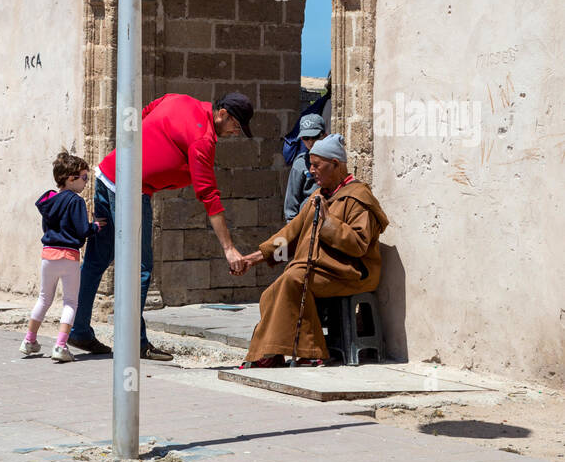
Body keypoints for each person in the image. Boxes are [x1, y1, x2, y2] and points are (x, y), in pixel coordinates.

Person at [69, 91, 254, 361]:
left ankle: (79, 329)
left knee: (98, 259)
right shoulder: (203, 141)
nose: (236, 133)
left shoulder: (180, 99)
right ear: (222, 114)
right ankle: (133, 340)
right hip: (130, 188)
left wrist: (139, 150)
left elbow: (145, 112)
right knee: (139, 267)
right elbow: (209, 196)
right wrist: (229, 248)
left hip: (108, 173)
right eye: (236, 126)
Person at [239, 133, 389, 367]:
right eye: (311, 165)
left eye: (317, 165)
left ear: (335, 164)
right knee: (273, 290)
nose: (311, 171)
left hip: (352, 272)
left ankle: (311, 351)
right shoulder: (318, 198)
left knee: (295, 280)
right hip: (321, 269)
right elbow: (291, 235)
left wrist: (329, 222)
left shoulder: (358, 198)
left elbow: (359, 244)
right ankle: (272, 351)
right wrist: (256, 257)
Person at [21, 151, 105, 364]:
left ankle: (29, 340)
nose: (86, 183)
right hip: (68, 257)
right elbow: (81, 230)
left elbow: (48, 228)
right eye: (84, 178)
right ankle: (60, 345)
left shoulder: (50, 201)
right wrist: (94, 227)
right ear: (71, 178)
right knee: (70, 302)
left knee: (43, 298)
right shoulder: (75, 201)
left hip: (48, 255)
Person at [283, 113, 327, 221]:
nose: (311, 142)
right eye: (306, 138)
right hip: (306, 223)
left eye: (315, 137)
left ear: (324, 135)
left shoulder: (333, 162)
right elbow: (291, 204)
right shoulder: (300, 164)